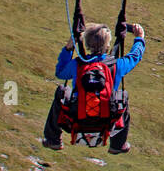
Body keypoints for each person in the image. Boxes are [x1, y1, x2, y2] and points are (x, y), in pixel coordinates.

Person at [42, 22, 145, 153]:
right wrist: (139, 38)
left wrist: (68, 48)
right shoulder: (116, 65)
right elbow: (135, 56)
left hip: (77, 116)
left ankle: (53, 139)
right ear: (107, 45)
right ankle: (118, 144)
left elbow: (60, 72)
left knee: (62, 91)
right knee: (122, 95)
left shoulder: (78, 64)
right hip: (107, 119)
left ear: (87, 43)